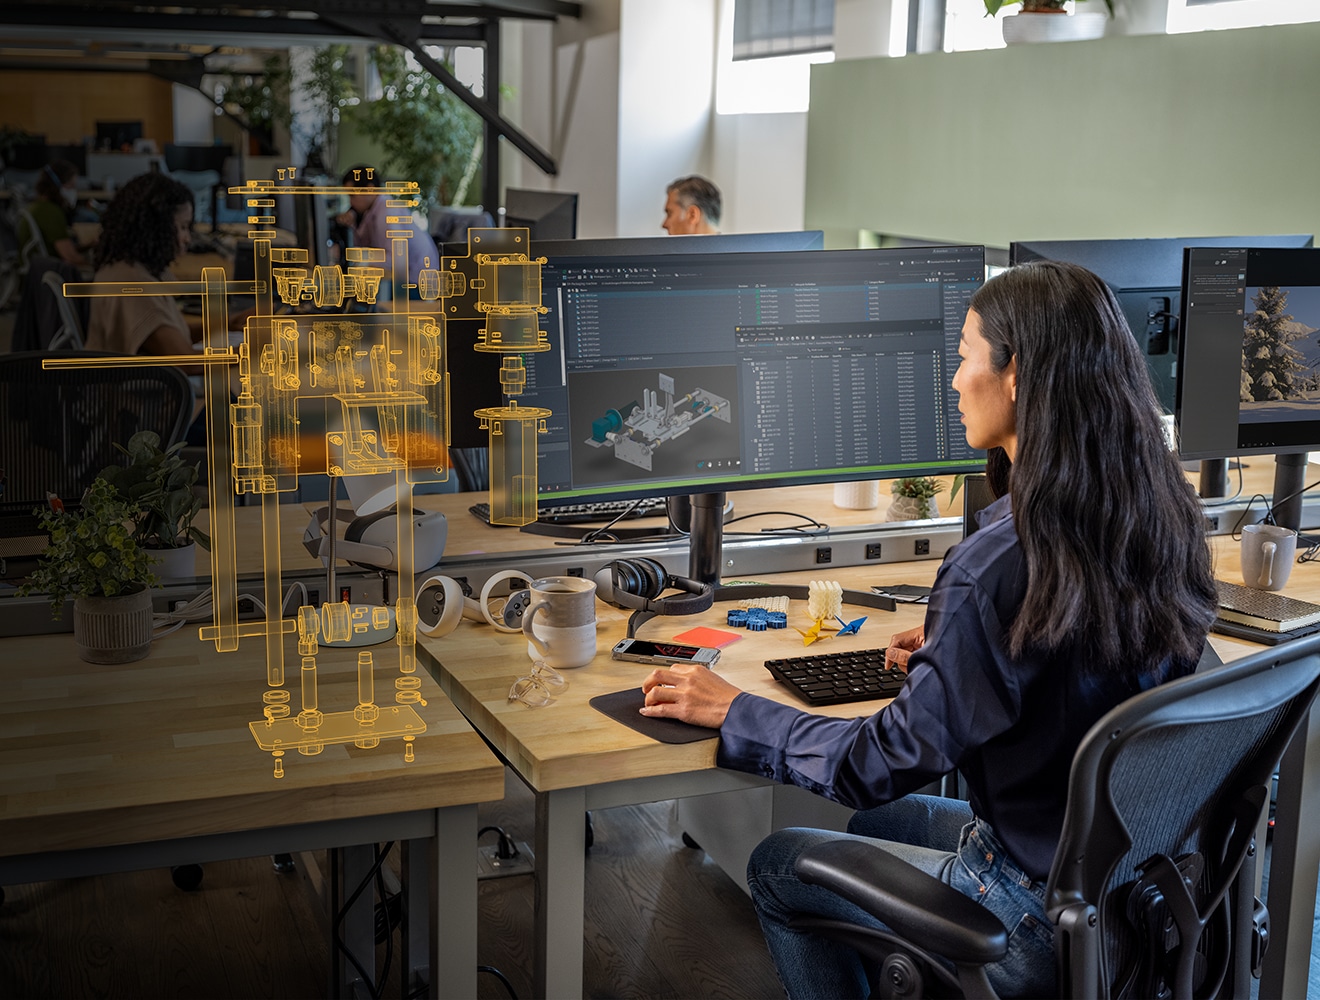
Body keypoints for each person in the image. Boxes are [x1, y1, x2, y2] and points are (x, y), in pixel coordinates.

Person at [638, 260, 1218, 998]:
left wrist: (736, 709)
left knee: (780, 864)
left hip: (1029, 914)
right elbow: (1096, 654)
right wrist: (961, 650)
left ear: (1017, 377)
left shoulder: (999, 562)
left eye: (965, 355)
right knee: (873, 826)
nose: (952, 379)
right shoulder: (1162, 512)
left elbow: (875, 763)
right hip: (1130, 890)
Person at [85, 172, 196, 363]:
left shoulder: (126, 266)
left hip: (136, 386)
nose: (188, 238)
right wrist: (255, 349)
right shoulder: (133, 284)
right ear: (157, 228)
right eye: (183, 227)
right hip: (135, 391)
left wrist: (230, 323)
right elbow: (185, 360)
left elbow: (175, 336)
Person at [336, 164, 441, 299]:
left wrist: (363, 259)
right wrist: (352, 223)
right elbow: (364, 244)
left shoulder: (387, 211)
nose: (351, 201)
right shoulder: (372, 211)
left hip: (418, 284)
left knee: (357, 294)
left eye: (352, 196)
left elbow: (397, 260)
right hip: (407, 279)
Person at [19, 159, 87, 267]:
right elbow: (71, 257)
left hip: (35, 271)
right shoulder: (50, 212)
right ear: (58, 185)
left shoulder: (38, 206)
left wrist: (88, 246)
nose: (74, 190)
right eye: (71, 185)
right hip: (46, 272)